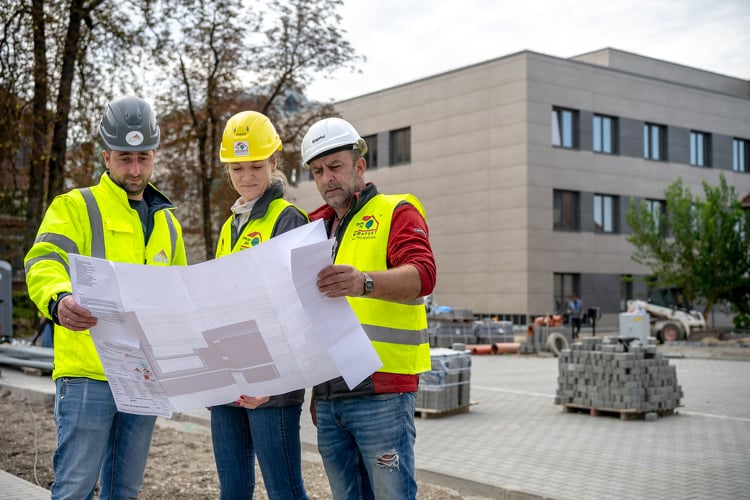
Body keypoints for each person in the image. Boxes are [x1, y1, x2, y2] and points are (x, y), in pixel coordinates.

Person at [23, 95, 187, 499]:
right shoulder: (76, 207)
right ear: (106, 156)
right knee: (75, 487)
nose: (135, 169)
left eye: (143, 158)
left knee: (124, 490)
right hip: (88, 375)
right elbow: (43, 260)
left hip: (144, 377)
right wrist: (58, 300)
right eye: (124, 158)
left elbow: (181, 295)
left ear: (154, 156)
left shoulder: (167, 222)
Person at [300, 117, 437, 499]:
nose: (327, 178)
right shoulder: (313, 227)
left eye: (335, 167)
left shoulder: (396, 211)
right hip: (329, 397)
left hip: (383, 390)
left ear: (360, 166)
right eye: (317, 171)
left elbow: (423, 274)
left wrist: (365, 282)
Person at [210, 110, 310, 500]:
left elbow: (301, 309)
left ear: (274, 162)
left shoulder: (289, 220)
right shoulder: (229, 226)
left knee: (284, 491)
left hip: (273, 385)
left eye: (255, 166)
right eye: (237, 168)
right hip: (229, 379)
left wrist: (275, 381)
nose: (246, 176)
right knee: (232, 492)